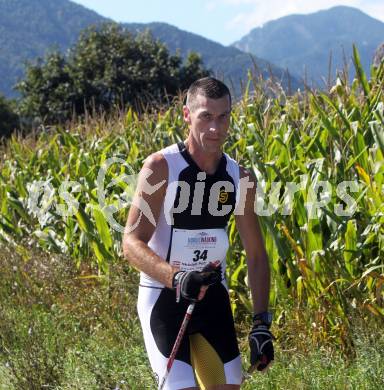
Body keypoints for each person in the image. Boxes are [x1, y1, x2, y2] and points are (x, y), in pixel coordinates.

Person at [123, 77, 274, 390]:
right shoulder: (161, 168)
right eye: (206, 116)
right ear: (187, 116)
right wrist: (175, 278)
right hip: (165, 298)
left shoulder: (239, 177)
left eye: (223, 117)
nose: (215, 129)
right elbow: (131, 243)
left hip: (211, 297)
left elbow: (257, 256)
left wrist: (261, 323)